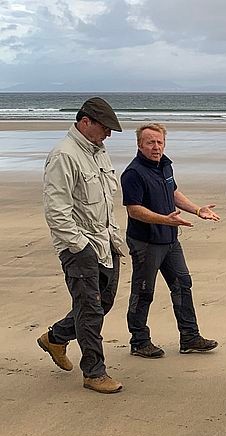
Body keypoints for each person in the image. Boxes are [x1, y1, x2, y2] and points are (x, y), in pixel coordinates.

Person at [38, 97, 124, 394]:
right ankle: (94, 373)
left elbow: (105, 201)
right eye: (105, 127)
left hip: (107, 241)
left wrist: (111, 238)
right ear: (85, 122)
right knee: (89, 309)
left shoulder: (99, 152)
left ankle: (55, 337)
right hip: (79, 247)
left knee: (103, 303)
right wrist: (79, 245)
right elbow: (56, 210)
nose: (108, 134)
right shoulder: (64, 155)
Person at [120, 123, 220, 358]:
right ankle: (139, 341)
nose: (156, 147)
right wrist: (164, 220)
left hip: (170, 240)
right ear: (139, 145)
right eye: (150, 142)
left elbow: (173, 193)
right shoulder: (133, 173)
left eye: (160, 142)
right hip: (145, 242)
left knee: (182, 284)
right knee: (144, 291)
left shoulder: (165, 166)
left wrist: (197, 210)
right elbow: (134, 210)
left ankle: (190, 338)